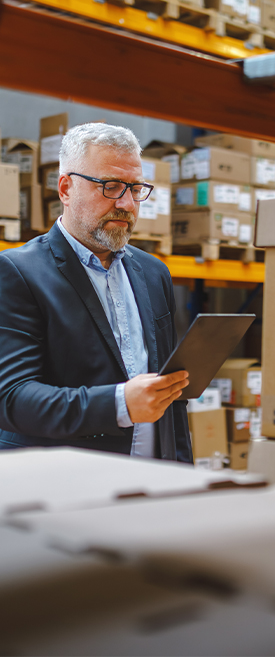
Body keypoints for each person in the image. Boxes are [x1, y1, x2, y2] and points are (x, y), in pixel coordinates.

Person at [0, 123, 192, 462]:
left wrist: (181, 473)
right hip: (65, 487)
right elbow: (12, 399)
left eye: (135, 189)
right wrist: (119, 404)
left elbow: (168, 394)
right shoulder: (17, 272)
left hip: (151, 483)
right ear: (65, 189)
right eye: (111, 186)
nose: (127, 204)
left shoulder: (153, 272)